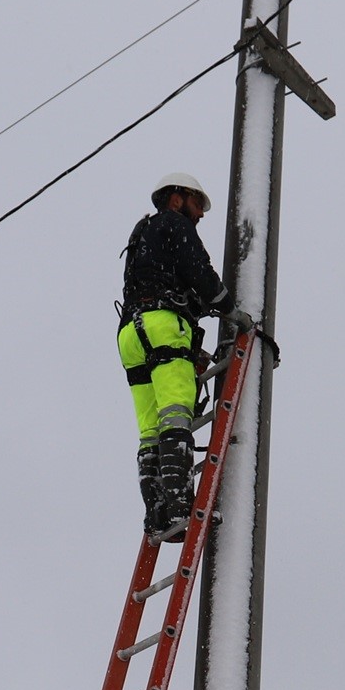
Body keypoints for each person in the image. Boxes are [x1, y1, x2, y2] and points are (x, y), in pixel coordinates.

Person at [119, 170, 239, 543]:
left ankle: (156, 516)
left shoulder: (142, 234)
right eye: (197, 204)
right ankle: (180, 506)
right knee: (176, 415)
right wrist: (230, 310)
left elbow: (172, 280)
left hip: (129, 334)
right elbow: (199, 273)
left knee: (150, 428)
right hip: (164, 324)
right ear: (176, 198)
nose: (200, 214)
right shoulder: (176, 225)